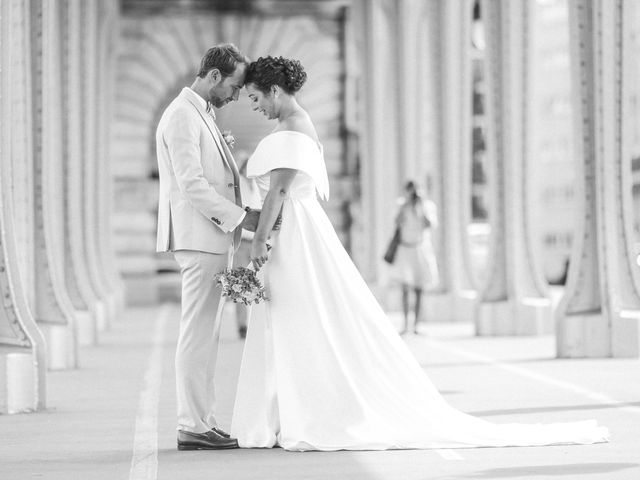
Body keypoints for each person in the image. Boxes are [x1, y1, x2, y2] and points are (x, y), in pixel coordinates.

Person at [230, 56, 608, 451]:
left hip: (295, 237)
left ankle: (300, 411)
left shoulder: (289, 129)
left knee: (296, 319)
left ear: (275, 90)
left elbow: (279, 192)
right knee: (300, 319)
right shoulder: (299, 125)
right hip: (300, 232)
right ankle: (295, 409)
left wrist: (257, 243)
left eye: (256, 97)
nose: (254, 106)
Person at [156, 44, 261, 451]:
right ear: (214, 76)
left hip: (211, 239)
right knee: (197, 334)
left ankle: (203, 420)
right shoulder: (182, 116)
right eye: (234, 87)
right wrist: (242, 217)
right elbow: (192, 184)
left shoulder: (202, 114)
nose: (236, 96)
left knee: (206, 335)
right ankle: (192, 425)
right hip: (200, 240)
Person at [392, 180, 439, 334]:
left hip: (421, 248)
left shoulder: (427, 206)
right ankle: (405, 324)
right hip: (405, 249)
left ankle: (416, 324)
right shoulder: (402, 205)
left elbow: (429, 225)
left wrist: (420, 208)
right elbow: (396, 223)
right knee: (405, 288)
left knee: (419, 288)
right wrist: (406, 206)